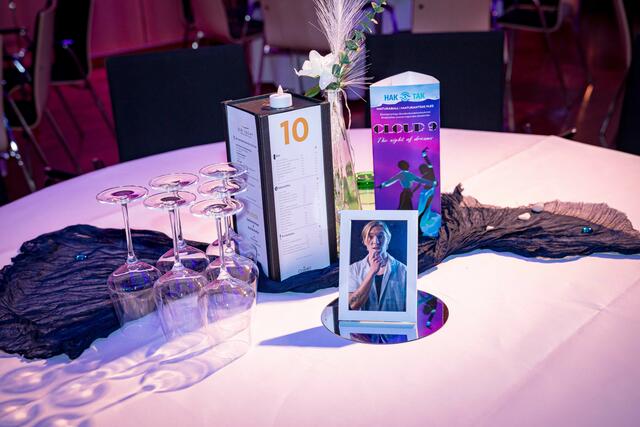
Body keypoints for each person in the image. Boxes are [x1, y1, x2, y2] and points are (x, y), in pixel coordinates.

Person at [348, 220, 407, 312]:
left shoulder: (404, 271)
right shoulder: (353, 269)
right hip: (363, 321)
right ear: (364, 241)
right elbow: (353, 305)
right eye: (370, 236)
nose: (376, 241)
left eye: (380, 236)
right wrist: (372, 271)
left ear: (388, 239)